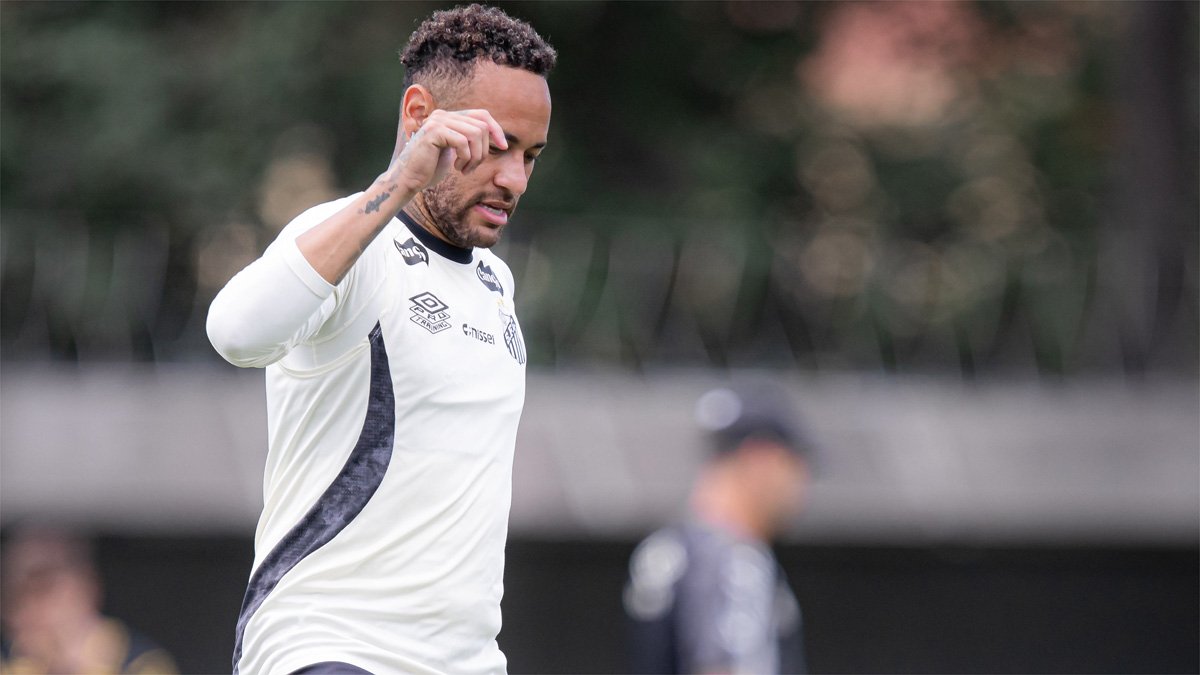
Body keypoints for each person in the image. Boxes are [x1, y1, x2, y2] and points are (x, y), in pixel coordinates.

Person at [205, 5, 555, 674]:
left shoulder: (496, 283)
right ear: (421, 114)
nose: (514, 178)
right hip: (332, 647)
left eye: (531, 155)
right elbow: (233, 332)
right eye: (498, 144)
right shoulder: (350, 239)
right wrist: (401, 181)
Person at [624, 386, 813, 674]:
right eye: (793, 465)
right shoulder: (734, 562)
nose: (801, 485)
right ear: (760, 458)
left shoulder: (667, 548)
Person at [0, 527, 178, 675]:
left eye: (42, 594)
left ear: (87, 590)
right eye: (15, 599)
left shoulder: (140, 665)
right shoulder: (10, 662)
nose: (26, 615)